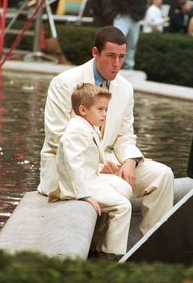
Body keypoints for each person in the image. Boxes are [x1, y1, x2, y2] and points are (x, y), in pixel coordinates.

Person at [38, 26, 174, 238]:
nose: (117, 64)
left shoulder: (125, 88)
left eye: (121, 57)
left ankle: (147, 247)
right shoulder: (64, 82)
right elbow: (57, 137)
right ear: (95, 52)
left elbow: (125, 135)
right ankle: (106, 254)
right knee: (121, 188)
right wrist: (98, 164)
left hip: (112, 159)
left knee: (163, 175)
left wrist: (130, 161)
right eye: (111, 56)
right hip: (69, 166)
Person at [50, 83, 132, 259]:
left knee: (123, 188)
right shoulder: (75, 131)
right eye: (100, 109)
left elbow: (88, 160)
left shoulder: (88, 126)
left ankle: (97, 242)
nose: (105, 114)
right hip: (78, 185)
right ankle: (110, 255)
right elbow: (74, 165)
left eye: (106, 109)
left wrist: (102, 167)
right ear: (83, 109)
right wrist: (84, 195)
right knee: (123, 206)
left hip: (90, 177)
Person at [113, 0, 149, 70]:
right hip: (124, 16)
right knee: (117, 41)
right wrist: (129, 10)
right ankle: (111, 65)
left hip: (136, 18)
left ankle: (129, 66)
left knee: (132, 43)